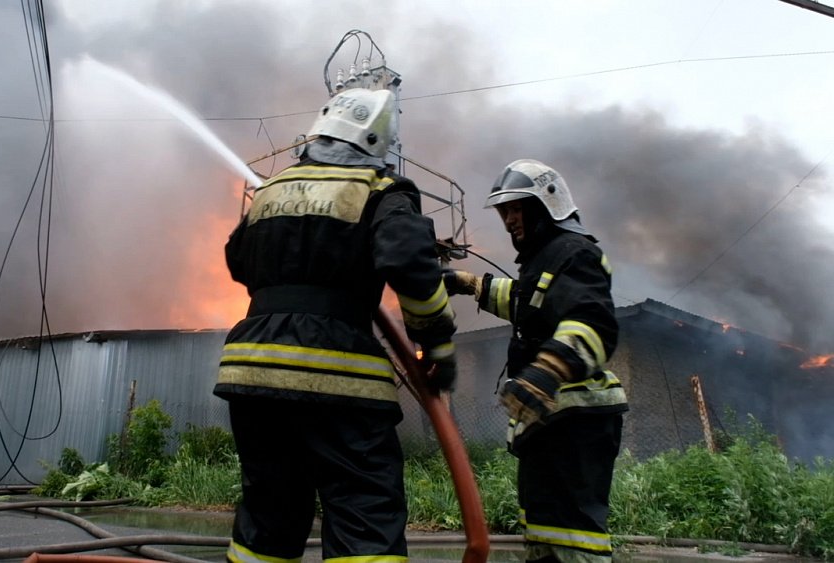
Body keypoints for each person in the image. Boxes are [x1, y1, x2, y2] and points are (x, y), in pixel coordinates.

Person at [214, 87, 458, 563]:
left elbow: (237, 261)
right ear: (375, 142)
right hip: (341, 383)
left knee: (268, 517)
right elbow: (411, 264)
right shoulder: (380, 190)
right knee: (363, 516)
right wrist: (439, 347)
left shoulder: (269, 191)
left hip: (251, 378)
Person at [444, 159, 628, 563]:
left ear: (548, 203)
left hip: (578, 421)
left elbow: (593, 322)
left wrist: (546, 372)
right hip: (551, 422)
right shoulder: (544, 260)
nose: (509, 221)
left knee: (576, 538)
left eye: (516, 209)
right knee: (545, 532)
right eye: (504, 212)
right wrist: (471, 284)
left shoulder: (575, 253)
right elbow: (529, 303)